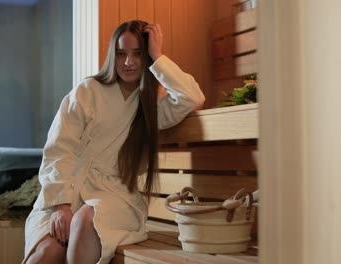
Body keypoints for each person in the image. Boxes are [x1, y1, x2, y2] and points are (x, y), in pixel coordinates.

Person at [23, 20, 205, 264]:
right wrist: (60, 204)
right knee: (48, 253)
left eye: (138, 54)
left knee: (85, 219)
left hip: (116, 198)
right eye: (121, 54)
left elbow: (192, 97)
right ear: (113, 55)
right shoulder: (88, 91)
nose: (128, 62)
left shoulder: (152, 107)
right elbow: (59, 148)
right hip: (67, 191)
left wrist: (158, 56)